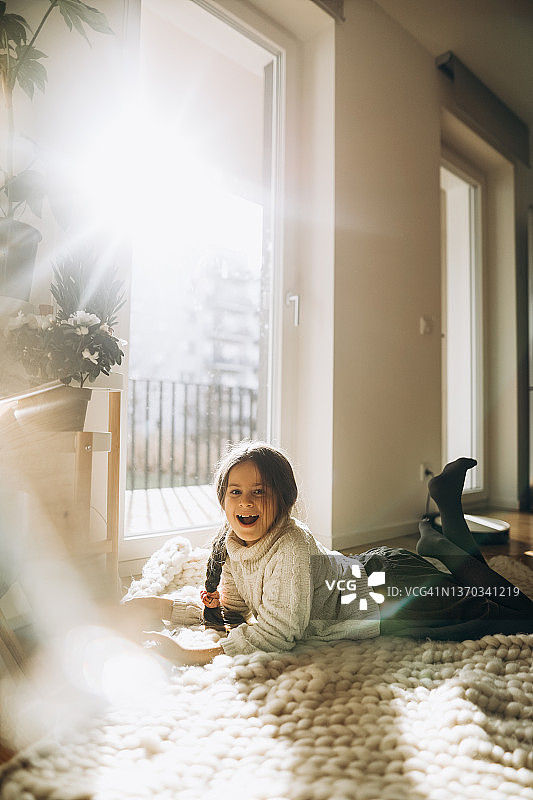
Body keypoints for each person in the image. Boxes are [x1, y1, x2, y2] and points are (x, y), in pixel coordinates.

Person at [124, 441, 533, 665]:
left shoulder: (291, 547)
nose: (245, 503)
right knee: (499, 603)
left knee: (519, 614)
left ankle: (442, 541)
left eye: (259, 493)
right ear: (222, 499)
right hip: (377, 576)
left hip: (394, 595)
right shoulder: (230, 548)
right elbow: (234, 614)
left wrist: (191, 653)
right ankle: (445, 516)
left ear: (283, 501)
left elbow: (276, 634)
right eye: (236, 493)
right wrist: (163, 608)